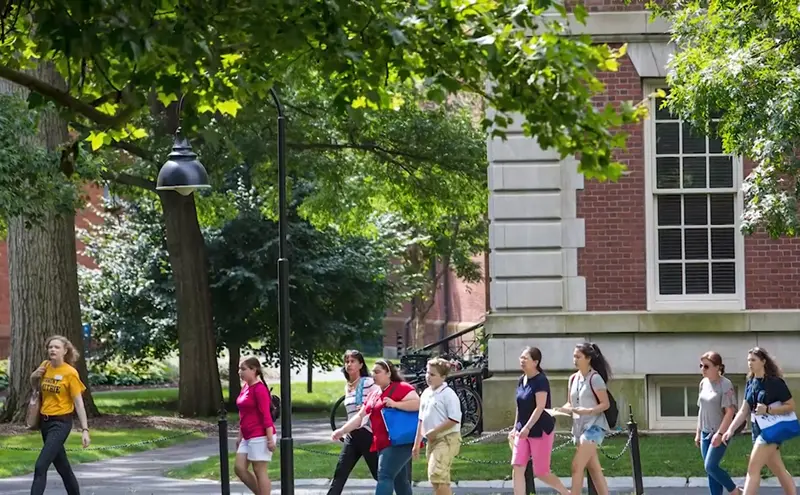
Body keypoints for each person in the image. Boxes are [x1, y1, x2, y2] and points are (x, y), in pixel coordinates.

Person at [332, 359, 420, 495]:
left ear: (388, 373)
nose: (374, 374)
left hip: (400, 441)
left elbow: (418, 404)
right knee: (399, 480)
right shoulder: (374, 394)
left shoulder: (401, 387)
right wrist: (342, 430)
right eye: (373, 371)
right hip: (383, 442)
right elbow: (360, 416)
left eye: (378, 371)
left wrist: (396, 404)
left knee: (384, 475)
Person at [722, 347, 796, 495]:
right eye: (748, 360)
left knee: (753, 469)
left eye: (753, 360)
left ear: (763, 362)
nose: (750, 363)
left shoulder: (775, 383)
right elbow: (744, 410)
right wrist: (730, 430)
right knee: (779, 470)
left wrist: (768, 409)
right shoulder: (751, 383)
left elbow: (791, 405)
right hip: (758, 432)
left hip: (771, 433)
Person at [30, 335, 91, 495]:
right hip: (45, 422)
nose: (52, 350)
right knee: (63, 468)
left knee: (40, 466)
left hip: (61, 423)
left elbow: (78, 403)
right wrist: (33, 376)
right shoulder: (45, 366)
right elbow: (36, 388)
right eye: (50, 347)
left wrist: (85, 430)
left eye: (56, 347)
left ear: (65, 351)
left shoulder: (70, 373)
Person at [509, 347, 569, 495]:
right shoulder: (521, 380)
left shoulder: (541, 380)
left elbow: (540, 407)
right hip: (522, 430)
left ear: (535, 362)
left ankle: (566, 493)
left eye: (526, 358)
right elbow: (520, 406)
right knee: (517, 467)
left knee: (541, 472)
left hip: (540, 429)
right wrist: (515, 427)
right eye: (521, 358)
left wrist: (527, 427)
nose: (522, 361)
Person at [556, 342, 611, 495]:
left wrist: (589, 411)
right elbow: (570, 403)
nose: (574, 359)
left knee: (576, 466)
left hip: (593, 428)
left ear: (588, 359)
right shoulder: (572, 378)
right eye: (574, 356)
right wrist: (560, 409)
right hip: (579, 429)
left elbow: (605, 404)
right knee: (594, 470)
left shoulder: (595, 378)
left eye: (578, 356)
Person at [327, 350, 380, 495]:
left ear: (361, 364)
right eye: (347, 361)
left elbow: (380, 397)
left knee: (379, 475)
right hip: (352, 435)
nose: (349, 364)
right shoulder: (348, 386)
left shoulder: (368, 382)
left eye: (353, 361)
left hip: (366, 434)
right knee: (340, 473)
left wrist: (367, 405)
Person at [412, 358, 462, 495]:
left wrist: (435, 431)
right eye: (427, 373)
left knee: (436, 473)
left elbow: (454, 419)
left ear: (443, 377)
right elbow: (421, 419)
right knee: (437, 477)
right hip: (432, 439)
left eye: (433, 374)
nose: (428, 377)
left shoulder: (448, 395)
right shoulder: (426, 393)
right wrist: (417, 443)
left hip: (447, 438)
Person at [695, 351, 740, 495]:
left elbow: (730, 412)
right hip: (705, 433)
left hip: (719, 432)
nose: (703, 369)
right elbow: (701, 410)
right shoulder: (703, 383)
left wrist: (720, 434)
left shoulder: (725, 384)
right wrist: (698, 433)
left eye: (706, 366)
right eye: (701, 365)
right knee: (710, 471)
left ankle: (734, 491)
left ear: (717, 367)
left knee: (711, 466)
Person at [235, 357, 276, 495]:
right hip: (247, 435)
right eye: (240, 369)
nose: (240, 372)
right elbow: (243, 413)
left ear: (254, 370)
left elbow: (266, 415)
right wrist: (240, 435)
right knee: (239, 468)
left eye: (243, 369)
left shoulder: (259, 389)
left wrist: (270, 439)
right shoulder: (245, 387)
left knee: (259, 470)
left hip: (260, 435)